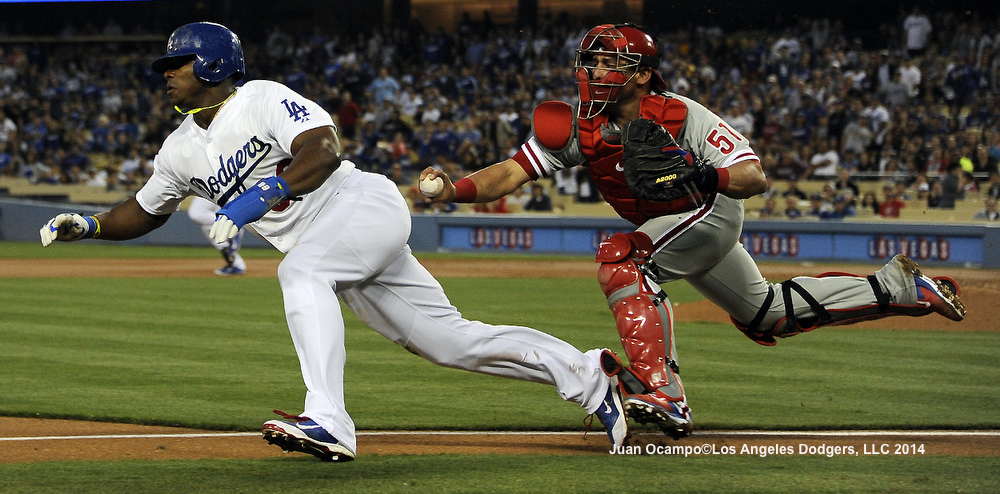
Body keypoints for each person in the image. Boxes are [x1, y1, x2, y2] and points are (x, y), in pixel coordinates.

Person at [38, 22, 627, 462]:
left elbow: (323, 148)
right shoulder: (178, 148)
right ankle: (590, 376)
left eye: (178, 62)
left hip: (359, 206)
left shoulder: (260, 98)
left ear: (214, 64)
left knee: (301, 274)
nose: (166, 72)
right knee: (451, 343)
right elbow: (143, 211)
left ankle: (330, 421)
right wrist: (90, 223)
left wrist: (252, 200)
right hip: (328, 243)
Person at [420, 23, 967, 440]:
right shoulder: (576, 124)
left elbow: (753, 176)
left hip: (710, 210)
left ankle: (665, 393)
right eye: (592, 59)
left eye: (611, 62)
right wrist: (452, 190)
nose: (595, 70)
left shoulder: (681, 115)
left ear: (640, 73)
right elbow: (508, 175)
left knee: (623, 258)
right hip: (676, 225)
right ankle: (900, 288)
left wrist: (703, 171)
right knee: (766, 313)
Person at [187, 196, 246, 275]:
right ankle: (236, 264)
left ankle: (232, 223)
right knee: (211, 229)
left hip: (210, 185)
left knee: (197, 214)